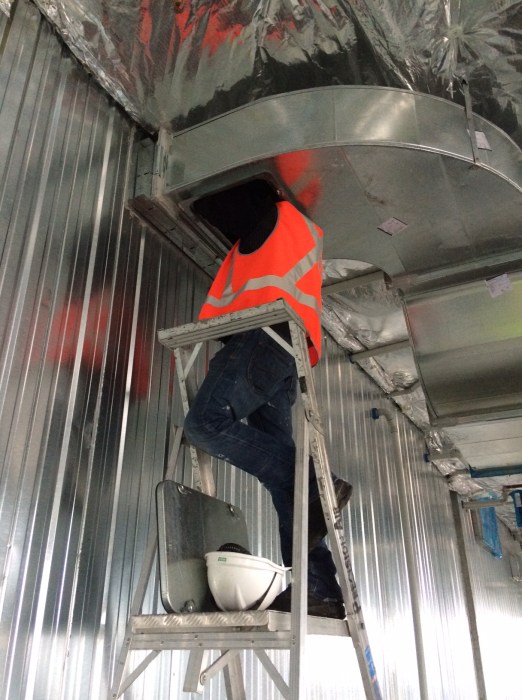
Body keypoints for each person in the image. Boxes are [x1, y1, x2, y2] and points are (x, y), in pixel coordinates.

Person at [184, 181, 352, 619]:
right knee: (285, 485)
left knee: (204, 424)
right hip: (286, 351)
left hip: (261, 336)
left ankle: (314, 479)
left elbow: (205, 204)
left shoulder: (271, 218)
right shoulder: (299, 235)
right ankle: (320, 591)